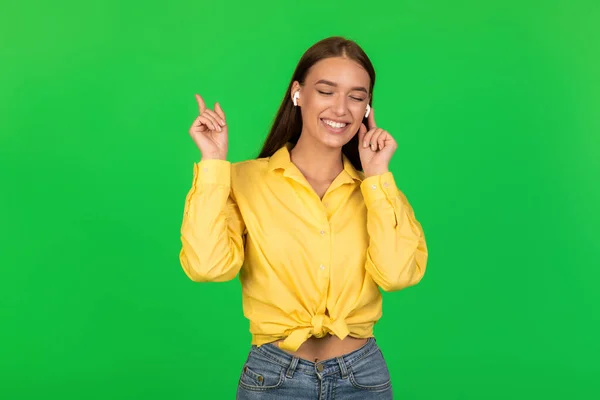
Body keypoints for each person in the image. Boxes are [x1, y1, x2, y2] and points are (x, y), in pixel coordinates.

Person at [179, 36, 428, 399]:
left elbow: (397, 275)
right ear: (298, 93)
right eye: (327, 91)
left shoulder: (376, 190)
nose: (341, 109)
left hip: (363, 378)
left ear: (367, 107)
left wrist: (377, 179)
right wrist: (214, 164)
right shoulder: (244, 180)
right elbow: (207, 267)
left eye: (357, 97)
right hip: (273, 378)